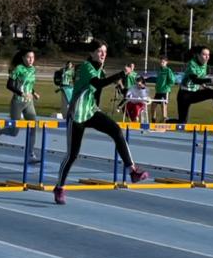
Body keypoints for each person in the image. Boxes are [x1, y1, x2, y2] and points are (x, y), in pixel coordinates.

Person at [54, 40, 150, 205]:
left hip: (91, 111)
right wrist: (120, 74)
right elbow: (97, 84)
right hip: (77, 114)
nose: (103, 54)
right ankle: (59, 187)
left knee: (116, 130)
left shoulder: (100, 69)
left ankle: (132, 170)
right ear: (91, 53)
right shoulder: (86, 67)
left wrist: (126, 89)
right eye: (99, 51)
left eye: (105, 51)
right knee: (72, 154)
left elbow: (113, 86)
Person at [0, 49, 41, 163]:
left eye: (33, 58)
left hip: (29, 103)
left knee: (33, 127)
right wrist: (22, 93)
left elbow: (28, 84)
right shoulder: (18, 69)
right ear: (23, 58)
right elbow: (9, 85)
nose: (31, 60)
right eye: (28, 57)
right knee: (14, 132)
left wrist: (34, 93)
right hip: (18, 102)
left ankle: (30, 154)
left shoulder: (33, 69)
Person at [174, 46, 213, 124]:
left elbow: (201, 81)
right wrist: (212, 79)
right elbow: (195, 80)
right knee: (182, 123)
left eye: (208, 55)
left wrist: (206, 86)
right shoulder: (192, 64)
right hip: (184, 95)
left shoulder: (205, 65)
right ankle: (165, 121)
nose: (207, 57)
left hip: (194, 92)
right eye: (204, 54)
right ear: (198, 55)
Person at [153, 56, 174, 123]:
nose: (161, 63)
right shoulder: (159, 70)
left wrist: (166, 87)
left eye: (163, 62)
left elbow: (172, 81)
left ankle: (164, 122)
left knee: (163, 106)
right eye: (161, 62)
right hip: (158, 91)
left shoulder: (168, 70)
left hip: (165, 91)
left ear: (166, 63)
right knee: (153, 105)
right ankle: (153, 120)